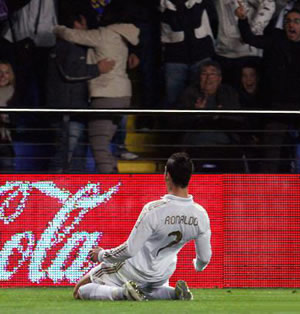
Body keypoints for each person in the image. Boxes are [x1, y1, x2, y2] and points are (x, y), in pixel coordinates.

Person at [73, 152, 211, 301]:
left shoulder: (154, 210)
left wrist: (101, 255)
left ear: (167, 174)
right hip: (161, 275)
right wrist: (198, 266)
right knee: (144, 290)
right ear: (189, 176)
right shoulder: (200, 214)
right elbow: (204, 257)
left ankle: (123, 293)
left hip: (134, 269)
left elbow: (130, 250)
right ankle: (173, 294)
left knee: (79, 290)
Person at [54, 1, 140, 174]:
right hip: (122, 95)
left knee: (99, 145)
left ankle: (109, 187)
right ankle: (116, 180)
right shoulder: (122, 36)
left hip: (106, 95)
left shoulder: (105, 34)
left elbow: (72, 35)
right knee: (105, 143)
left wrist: (55, 29)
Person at [236, 5, 300, 172]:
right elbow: (250, 39)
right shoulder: (276, 41)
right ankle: (268, 191)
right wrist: (242, 20)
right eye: (288, 21)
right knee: (270, 155)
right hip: (277, 106)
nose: (292, 25)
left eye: (297, 21)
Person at [47, 2, 115, 173]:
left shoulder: (72, 46)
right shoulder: (67, 46)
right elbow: (70, 72)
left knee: (74, 158)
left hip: (75, 111)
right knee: (63, 155)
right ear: (78, 22)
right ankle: (48, 193)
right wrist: (97, 69)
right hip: (67, 112)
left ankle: (68, 194)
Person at [178, 60, 243, 172]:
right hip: (196, 146)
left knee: (234, 162)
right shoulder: (189, 93)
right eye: (204, 74)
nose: (208, 78)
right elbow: (177, 121)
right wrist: (196, 113)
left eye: (212, 74)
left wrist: (220, 116)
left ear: (219, 78)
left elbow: (238, 119)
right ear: (199, 78)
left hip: (224, 146)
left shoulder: (229, 93)